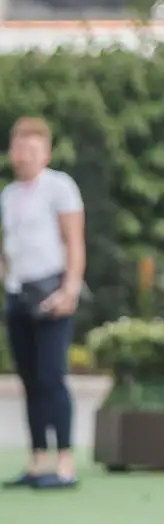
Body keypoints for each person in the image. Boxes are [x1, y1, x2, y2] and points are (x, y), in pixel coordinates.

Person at [0, 116, 85, 490]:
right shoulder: (8, 195)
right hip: (18, 294)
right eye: (18, 148)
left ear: (46, 152)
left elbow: (74, 240)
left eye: (32, 149)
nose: (24, 156)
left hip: (52, 293)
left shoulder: (60, 187)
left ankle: (65, 459)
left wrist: (71, 288)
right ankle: (38, 460)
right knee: (30, 380)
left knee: (52, 377)